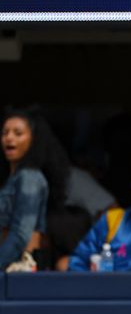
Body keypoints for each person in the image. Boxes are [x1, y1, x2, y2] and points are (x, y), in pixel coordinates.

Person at [0, 109, 70, 271]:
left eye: (18, 133)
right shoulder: (12, 178)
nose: (9, 138)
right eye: (5, 133)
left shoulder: (29, 178)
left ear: (33, 140)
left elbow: (21, 234)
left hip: (17, 268)